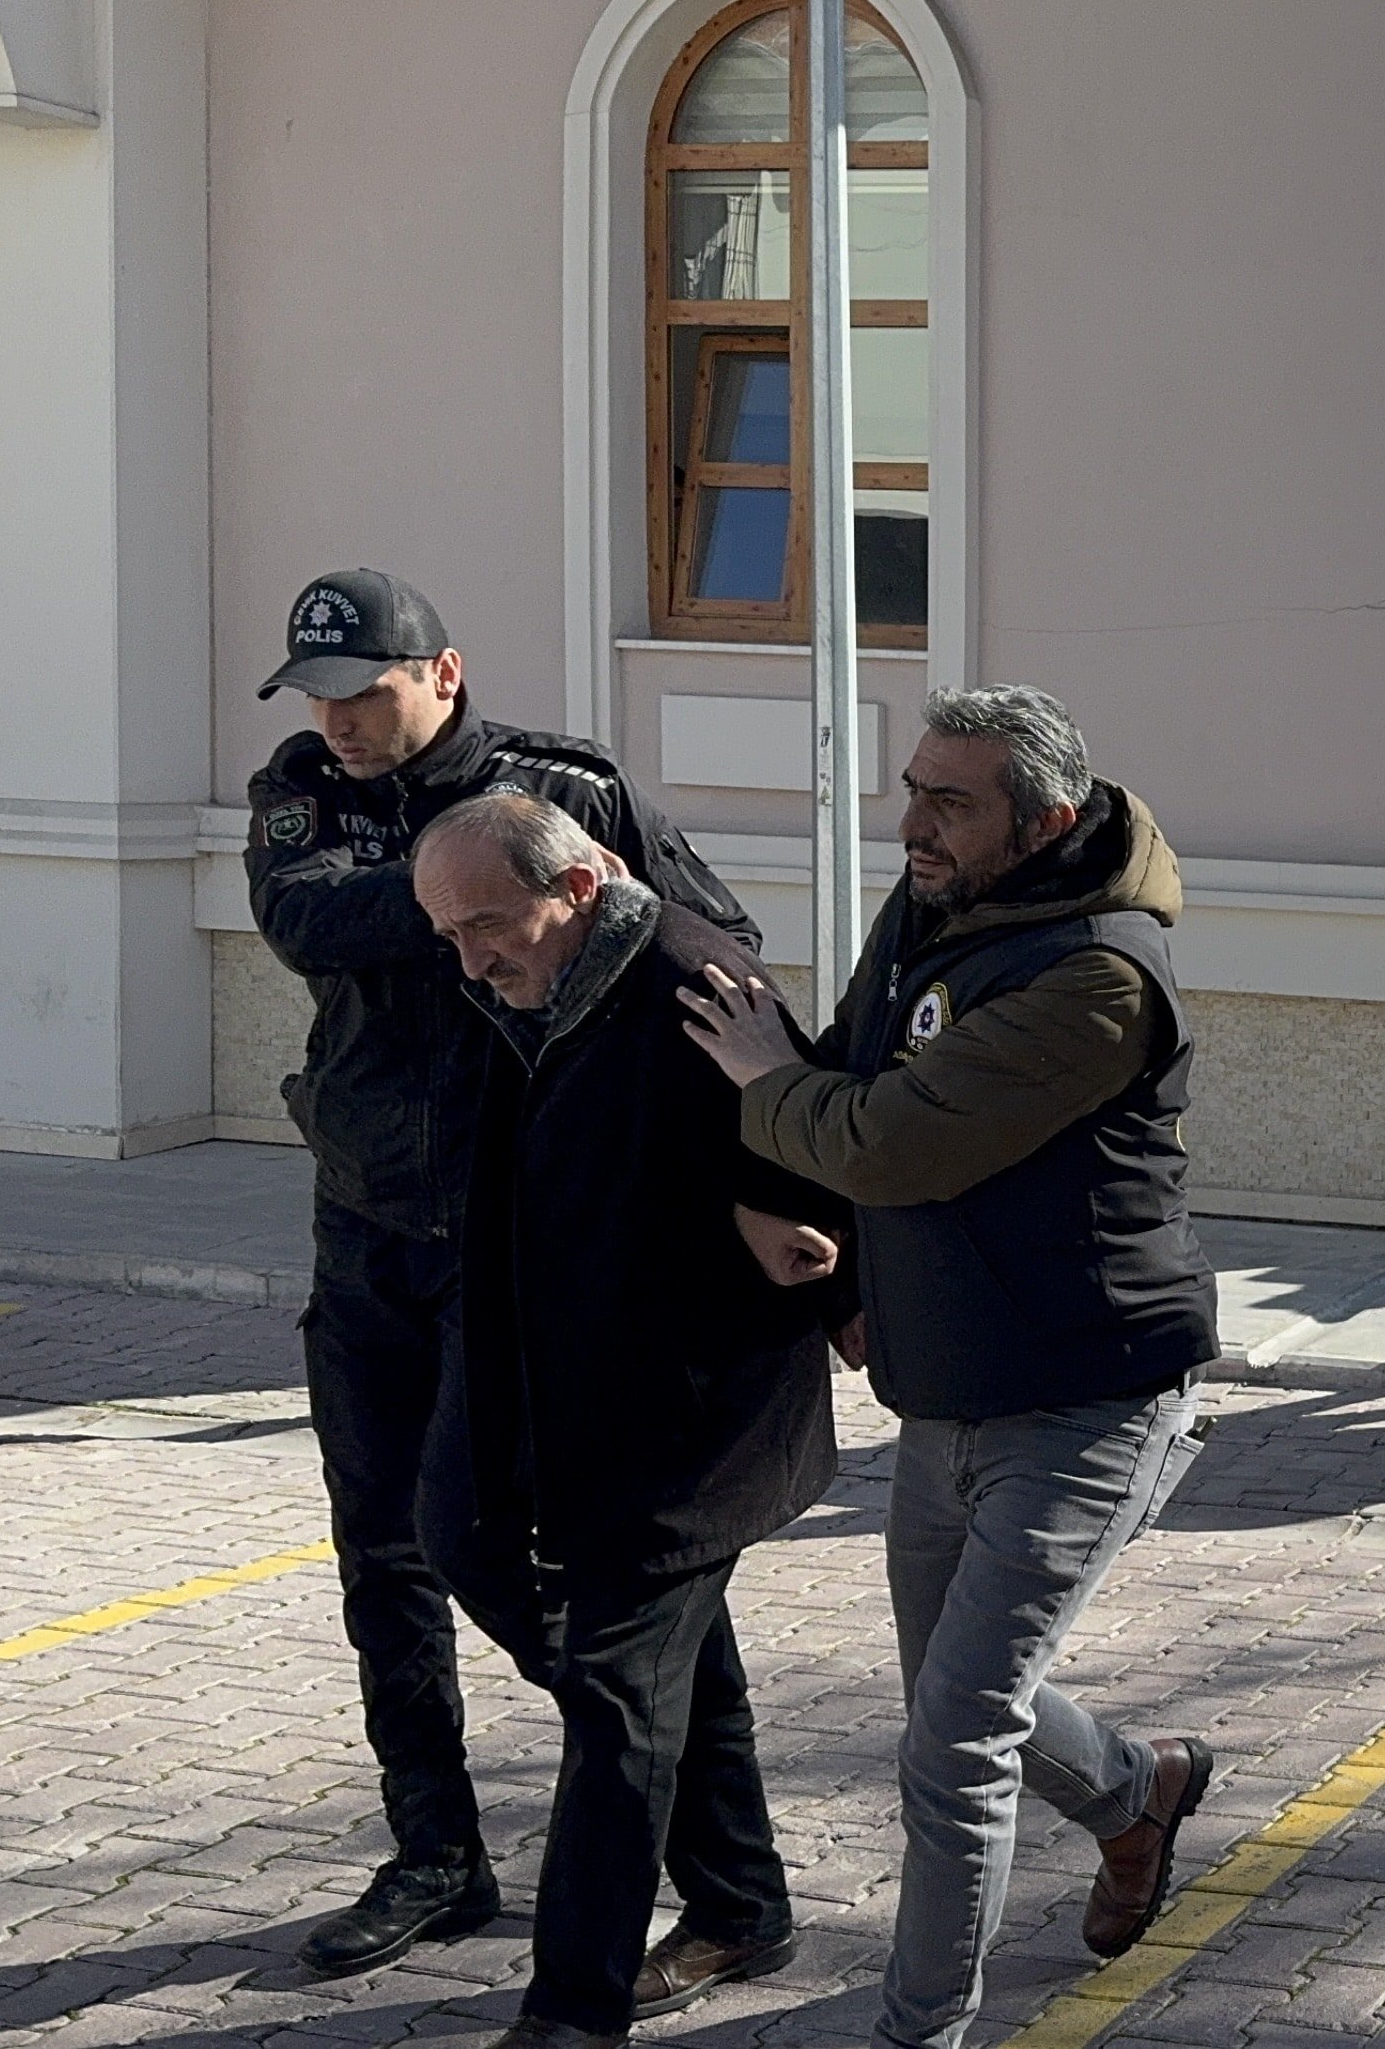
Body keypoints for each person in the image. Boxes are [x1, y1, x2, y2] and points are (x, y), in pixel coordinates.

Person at [675, 686, 1222, 2047]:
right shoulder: (939, 903)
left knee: (955, 1736)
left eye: (949, 800)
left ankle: (921, 2029)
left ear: (1038, 820)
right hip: (946, 1387)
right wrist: (846, 1276)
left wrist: (756, 1070)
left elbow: (887, 1142)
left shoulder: (1098, 974)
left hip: (1089, 1398)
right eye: (913, 787)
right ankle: (1135, 1792)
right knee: (959, 1700)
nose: (911, 821)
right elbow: (861, 1076)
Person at [243, 568, 754, 1979]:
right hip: (366, 1225)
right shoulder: (300, 795)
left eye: (364, 694)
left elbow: (707, 945)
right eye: (318, 698)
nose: (336, 724)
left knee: (575, 1564)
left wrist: (744, 1164)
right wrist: (490, 893)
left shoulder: (569, 791)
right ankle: (436, 1851)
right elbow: (304, 923)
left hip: (522, 1238)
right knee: (383, 1551)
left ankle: (685, 1809)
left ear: (445, 675)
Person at [408, 795, 846, 2049]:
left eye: (488, 923)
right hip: (541, 1381)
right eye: (448, 933)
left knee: (618, 1695)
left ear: (585, 886)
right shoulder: (527, 982)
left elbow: (814, 1160)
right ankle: (743, 1899)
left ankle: (573, 2008)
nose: (471, 956)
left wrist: (754, 1212)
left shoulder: (701, 985)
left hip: (689, 1425)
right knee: (475, 1547)